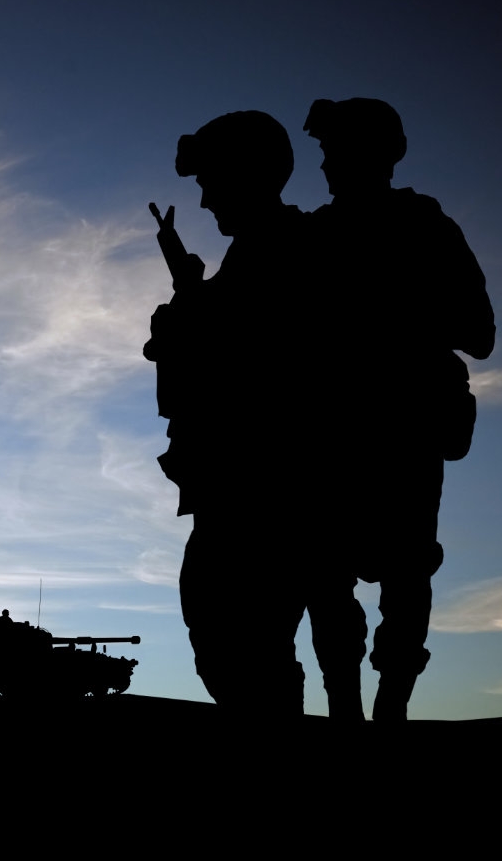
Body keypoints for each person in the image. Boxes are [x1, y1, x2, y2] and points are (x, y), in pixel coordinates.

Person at [146, 110, 352, 718]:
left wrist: (187, 311)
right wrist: (189, 287)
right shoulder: (262, 252)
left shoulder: (290, 249)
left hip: (267, 487)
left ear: (249, 176)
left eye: (211, 182)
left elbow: (251, 350)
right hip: (249, 486)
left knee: (236, 638)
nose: (205, 200)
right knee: (238, 640)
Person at [302, 98, 494, 721]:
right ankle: (345, 709)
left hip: (406, 432)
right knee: (326, 576)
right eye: (325, 152)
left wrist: (395, 315)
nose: (325, 165)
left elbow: (480, 333)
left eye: (335, 151)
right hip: (331, 435)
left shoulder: (425, 227)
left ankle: (390, 712)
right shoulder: (315, 235)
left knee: (405, 575)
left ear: (373, 155)